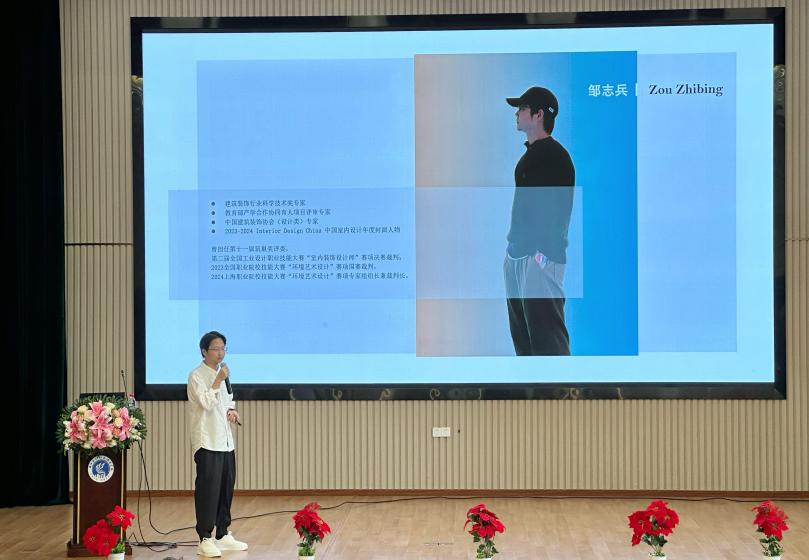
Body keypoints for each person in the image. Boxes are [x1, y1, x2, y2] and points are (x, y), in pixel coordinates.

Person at [504, 86, 575, 356]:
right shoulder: (530, 156)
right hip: (517, 256)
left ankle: (557, 387)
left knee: (548, 343)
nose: (517, 113)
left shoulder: (555, 156)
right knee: (524, 343)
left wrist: (541, 258)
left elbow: (557, 214)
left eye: (522, 108)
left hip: (538, 258)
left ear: (538, 115)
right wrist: (512, 256)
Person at [187, 331, 248, 557]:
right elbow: (205, 402)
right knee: (208, 491)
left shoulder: (221, 374)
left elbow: (226, 401)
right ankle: (205, 538)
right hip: (207, 441)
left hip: (226, 442)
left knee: (225, 488)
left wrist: (232, 411)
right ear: (204, 351)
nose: (220, 353)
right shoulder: (197, 376)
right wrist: (218, 380)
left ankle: (222, 534)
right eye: (216, 348)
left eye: (223, 348)